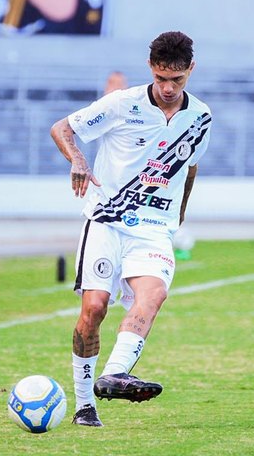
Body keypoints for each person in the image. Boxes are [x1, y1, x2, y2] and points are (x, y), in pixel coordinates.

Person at [50, 31, 211, 427]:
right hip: (106, 220)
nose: (168, 88)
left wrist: (181, 212)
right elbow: (62, 128)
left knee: (153, 294)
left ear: (191, 70)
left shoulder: (200, 118)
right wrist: (78, 161)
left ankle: (115, 372)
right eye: (160, 78)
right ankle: (85, 404)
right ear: (150, 70)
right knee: (94, 309)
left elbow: (189, 166)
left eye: (177, 79)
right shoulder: (123, 104)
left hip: (154, 228)